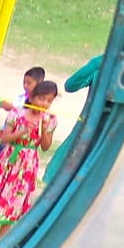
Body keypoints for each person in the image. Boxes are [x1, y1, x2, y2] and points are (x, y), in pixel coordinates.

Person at [0, 80, 58, 248]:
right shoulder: (16, 114)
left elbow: (45, 147)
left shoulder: (50, 120)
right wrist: (22, 132)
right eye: (41, 99)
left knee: (13, 202)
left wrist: (45, 129)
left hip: (26, 166)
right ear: (32, 98)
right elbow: (4, 137)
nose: (44, 104)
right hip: (8, 161)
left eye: (49, 100)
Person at [43, 56, 102, 184]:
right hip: (85, 129)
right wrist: (98, 62)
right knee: (58, 174)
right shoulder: (102, 66)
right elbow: (71, 85)